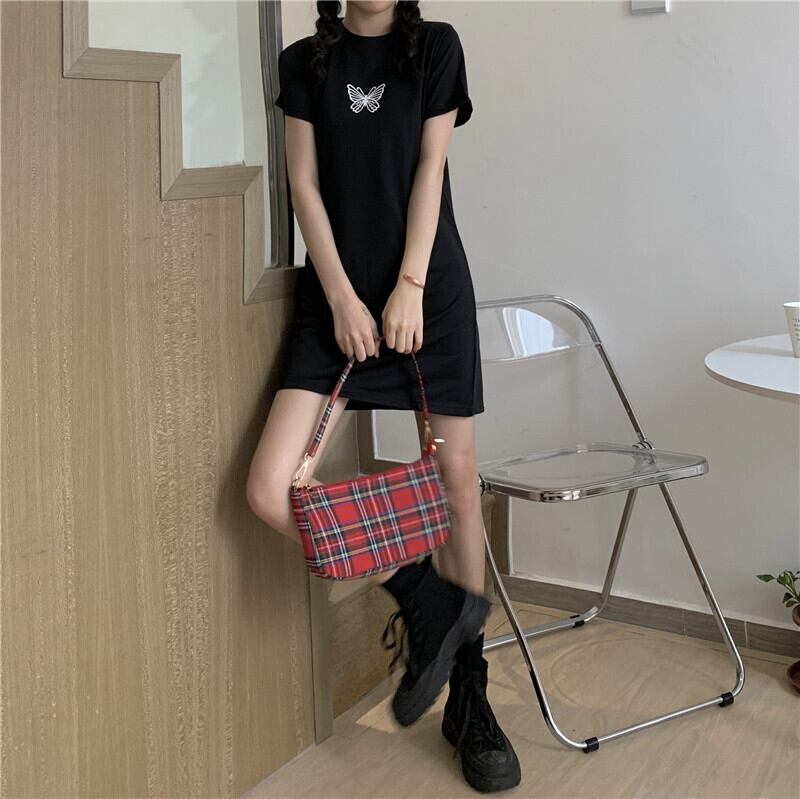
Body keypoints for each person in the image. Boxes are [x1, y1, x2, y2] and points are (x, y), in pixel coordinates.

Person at [246, 1, 520, 792]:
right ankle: (424, 595)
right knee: (269, 488)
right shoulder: (304, 61)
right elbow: (304, 185)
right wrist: (340, 297)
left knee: (456, 480)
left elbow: (430, 168)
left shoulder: (436, 48)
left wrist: (409, 285)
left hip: (426, 293)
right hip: (333, 303)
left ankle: (470, 695)